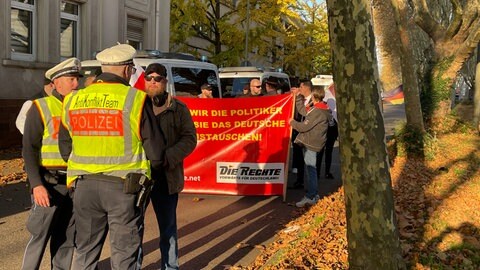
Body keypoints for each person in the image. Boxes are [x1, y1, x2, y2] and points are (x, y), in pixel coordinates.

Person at [59, 44, 165, 270]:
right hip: (123, 188)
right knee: (123, 254)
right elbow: (155, 150)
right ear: (127, 70)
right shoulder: (135, 99)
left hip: (83, 186)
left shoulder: (73, 99)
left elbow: (65, 147)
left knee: (85, 252)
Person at [21, 57, 81, 270]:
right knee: (39, 236)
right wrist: (36, 184)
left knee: (66, 237)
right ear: (56, 82)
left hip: (73, 182)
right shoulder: (41, 106)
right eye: (71, 79)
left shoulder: (79, 106)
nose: (76, 84)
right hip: (48, 182)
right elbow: (29, 149)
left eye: (77, 79)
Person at [143, 63, 197, 270]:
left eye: (158, 78)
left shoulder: (178, 108)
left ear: (165, 81)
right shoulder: (136, 105)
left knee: (168, 228)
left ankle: (170, 266)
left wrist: (168, 157)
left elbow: (189, 139)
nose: (154, 81)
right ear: (145, 81)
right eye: (150, 78)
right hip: (140, 177)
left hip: (167, 176)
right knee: (134, 227)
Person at [289, 85, 331, 207]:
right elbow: (303, 111)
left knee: (311, 171)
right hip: (312, 143)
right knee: (312, 170)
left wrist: (292, 122)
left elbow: (304, 126)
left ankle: (311, 196)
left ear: (314, 96)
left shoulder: (317, 111)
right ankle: (314, 194)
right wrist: (297, 98)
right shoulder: (319, 108)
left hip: (311, 144)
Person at [290, 80, 314, 189]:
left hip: (309, 135)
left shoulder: (314, 101)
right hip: (298, 133)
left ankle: (312, 187)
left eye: (300, 87)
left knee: (310, 162)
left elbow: (304, 112)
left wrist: (298, 97)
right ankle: (300, 181)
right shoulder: (299, 99)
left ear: (305, 87)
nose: (299, 89)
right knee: (299, 158)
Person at [316, 83, 339, 179]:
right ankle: (317, 172)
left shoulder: (339, 95)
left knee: (329, 150)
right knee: (320, 150)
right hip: (325, 126)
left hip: (334, 127)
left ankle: (327, 172)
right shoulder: (325, 95)